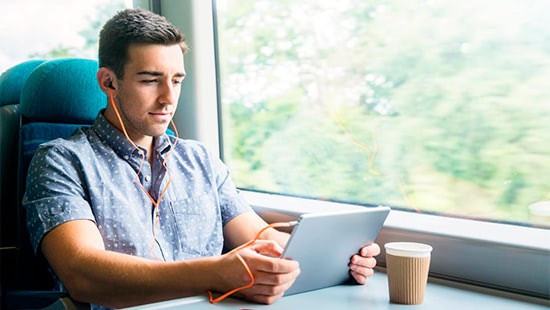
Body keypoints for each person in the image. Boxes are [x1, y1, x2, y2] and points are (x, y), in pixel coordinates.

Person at [23, 8, 380, 310]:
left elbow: (259, 238)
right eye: (151, 80)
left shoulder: (199, 160)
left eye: (176, 81)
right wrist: (217, 272)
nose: (168, 98)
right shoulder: (61, 161)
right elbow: (84, 274)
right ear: (108, 81)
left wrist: (338, 259)